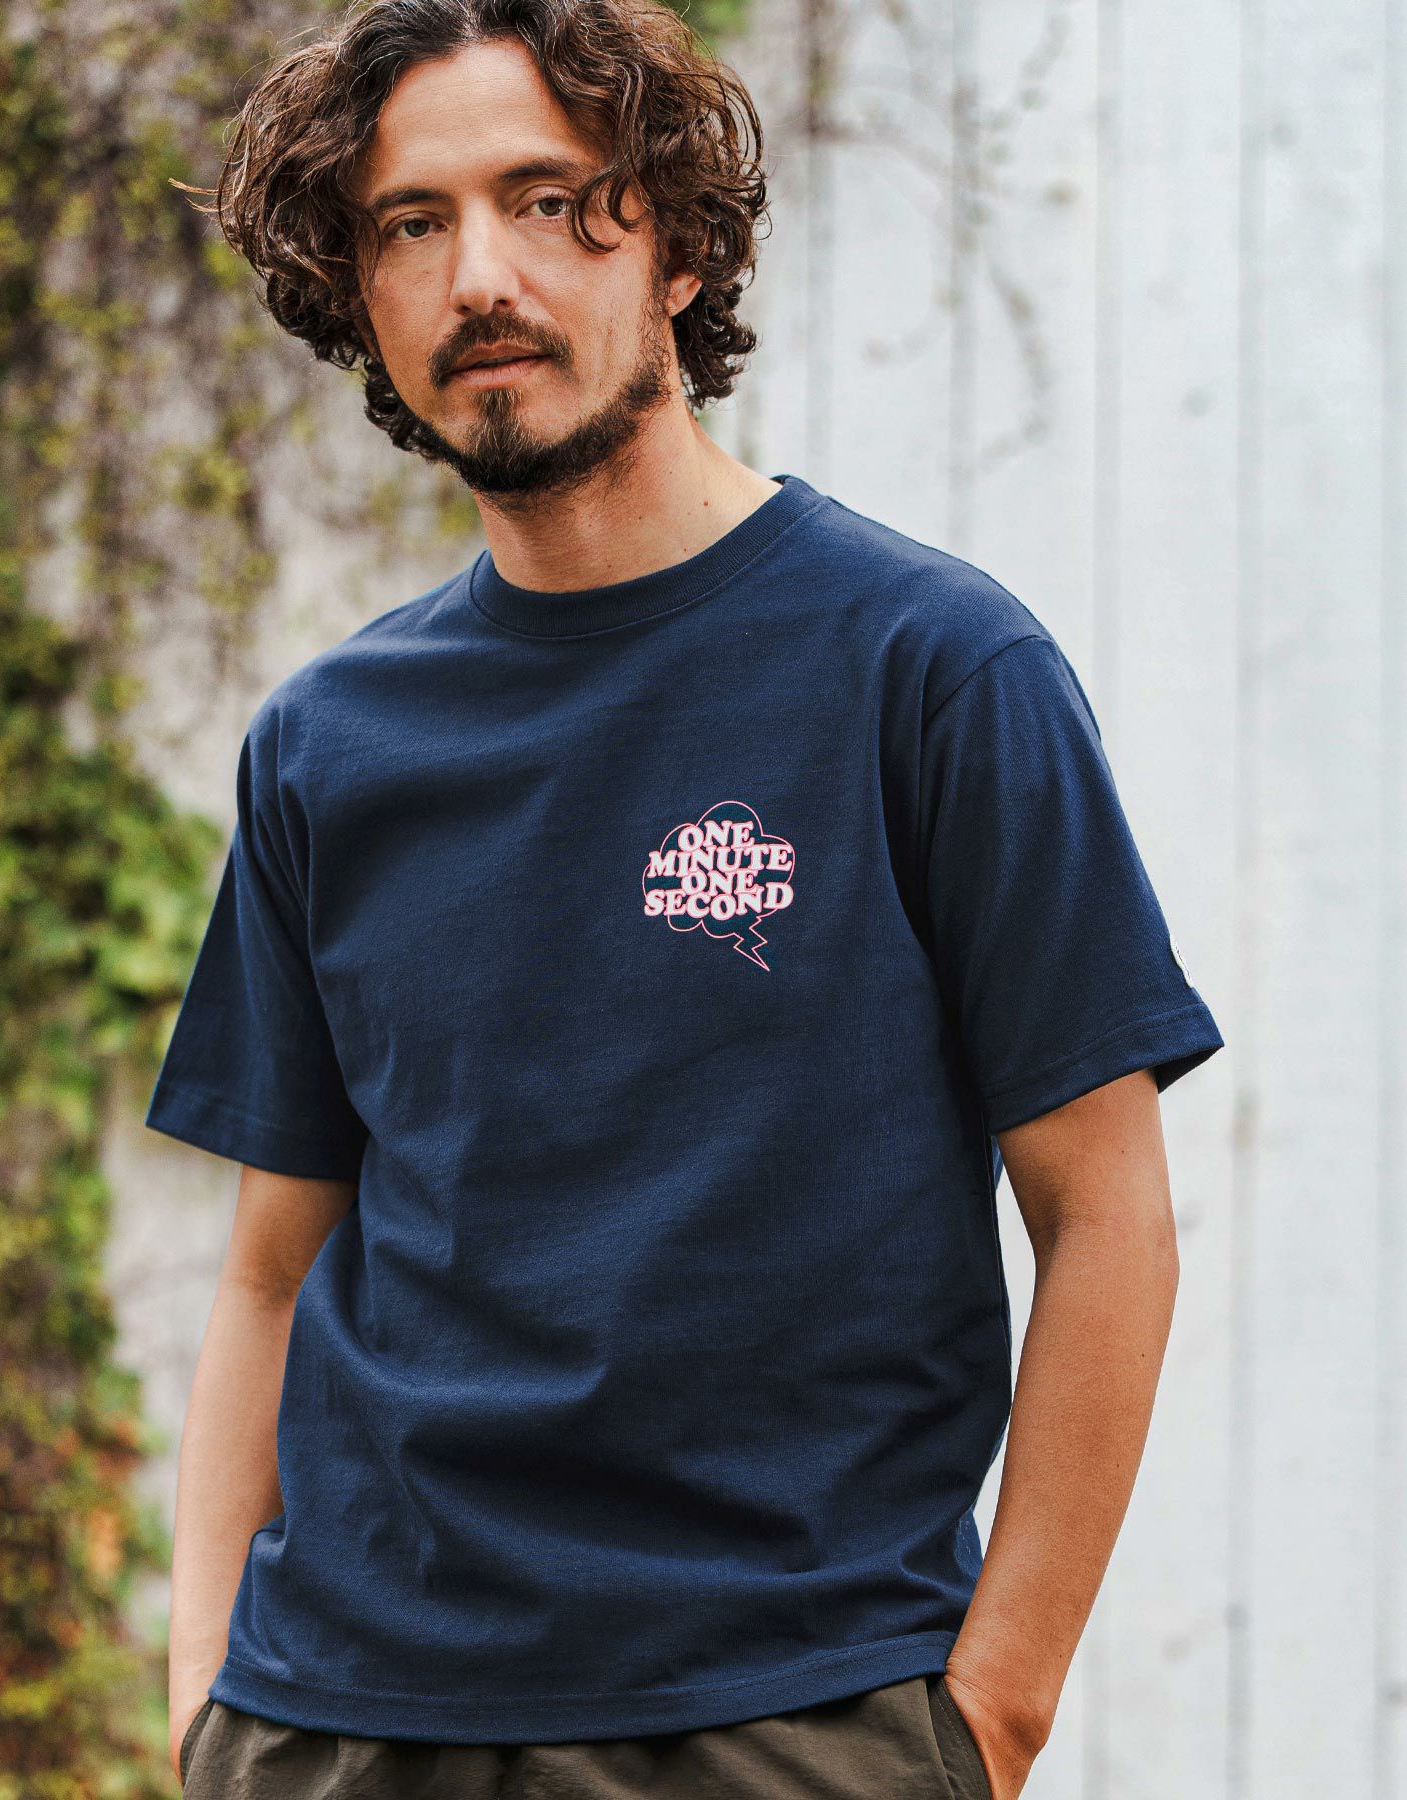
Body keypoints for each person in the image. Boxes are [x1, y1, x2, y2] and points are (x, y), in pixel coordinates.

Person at [148, 1, 1226, 1794]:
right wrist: (203, 1699)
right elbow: (274, 1268)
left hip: (783, 1717)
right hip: (338, 1723)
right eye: (412, 223)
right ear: (361, 293)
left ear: (677, 244)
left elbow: (1108, 1214)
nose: (481, 274)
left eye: (545, 198)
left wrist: (989, 1718)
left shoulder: (929, 669)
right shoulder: (329, 746)